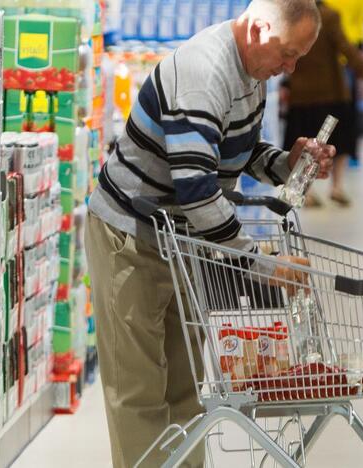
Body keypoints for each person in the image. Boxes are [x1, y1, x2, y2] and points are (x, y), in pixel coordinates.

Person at [84, 1, 334, 466]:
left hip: (181, 242)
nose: (290, 68)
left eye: (297, 57)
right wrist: (262, 264)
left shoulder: (252, 70)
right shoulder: (204, 71)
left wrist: (286, 164)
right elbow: (198, 191)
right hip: (131, 238)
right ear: (259, 28)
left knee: (185, 387)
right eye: (287, 54)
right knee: (139, 391)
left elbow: (230, 149)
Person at [283, 0, 363, 207]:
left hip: (302, 91)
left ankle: (306, 192)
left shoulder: (292, 17)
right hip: (331, 90)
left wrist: (285, 82)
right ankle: (337, 187)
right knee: (339, 142)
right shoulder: (329, 16)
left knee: (304, 144)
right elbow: (344, 45)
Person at [323, 0, 363, 168]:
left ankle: (343, 152)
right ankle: (350, 153)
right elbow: (359, 25)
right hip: (347, 54)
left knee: (335, 110)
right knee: (347, 108)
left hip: (333, 57)